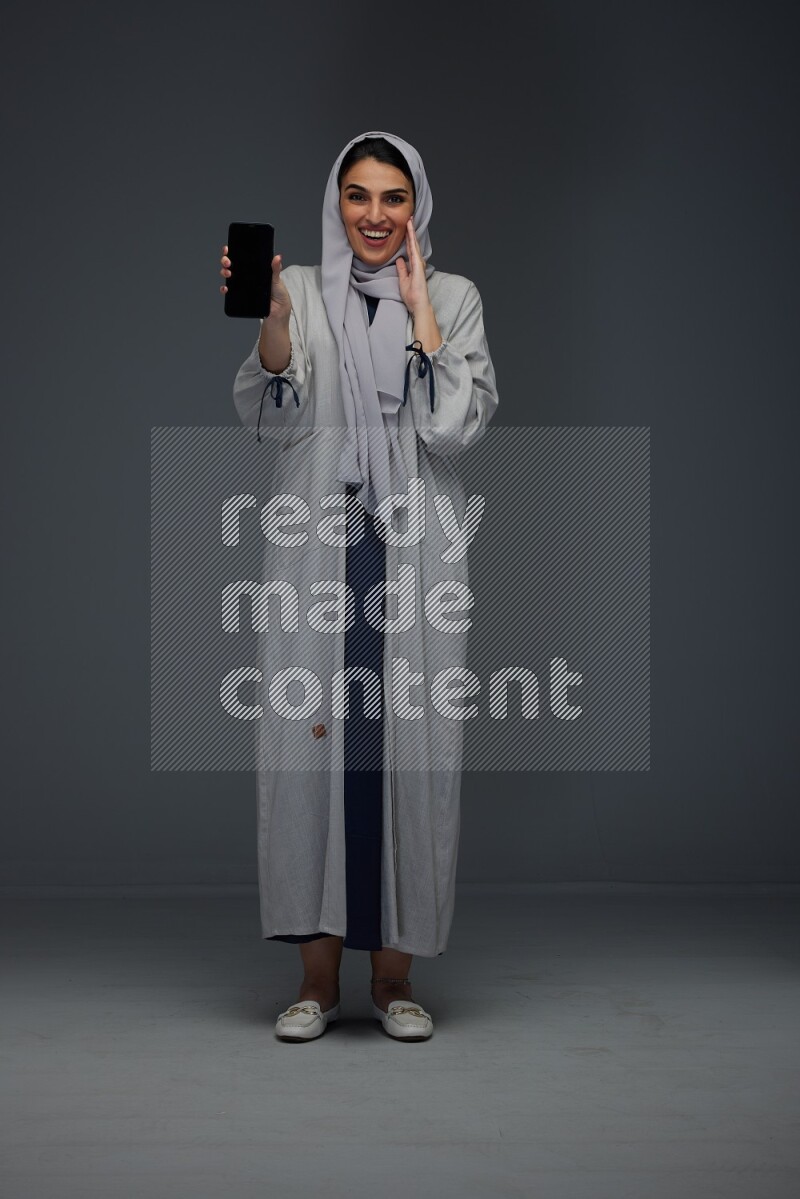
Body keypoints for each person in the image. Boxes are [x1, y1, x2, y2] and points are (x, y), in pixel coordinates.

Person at [220, 131, 499, 1041]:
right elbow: (271, 414)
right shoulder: (301, 289)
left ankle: (392, 981)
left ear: (415, 205)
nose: (375, 216)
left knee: (409, 748)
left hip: (412, 549)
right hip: (320, 545)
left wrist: (419, 311)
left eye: (392, 197)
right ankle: (312, 980)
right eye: (357, 196)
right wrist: (272, 317)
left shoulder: (454, 297)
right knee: (308, 747)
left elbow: (456, 429)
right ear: (335, 202)